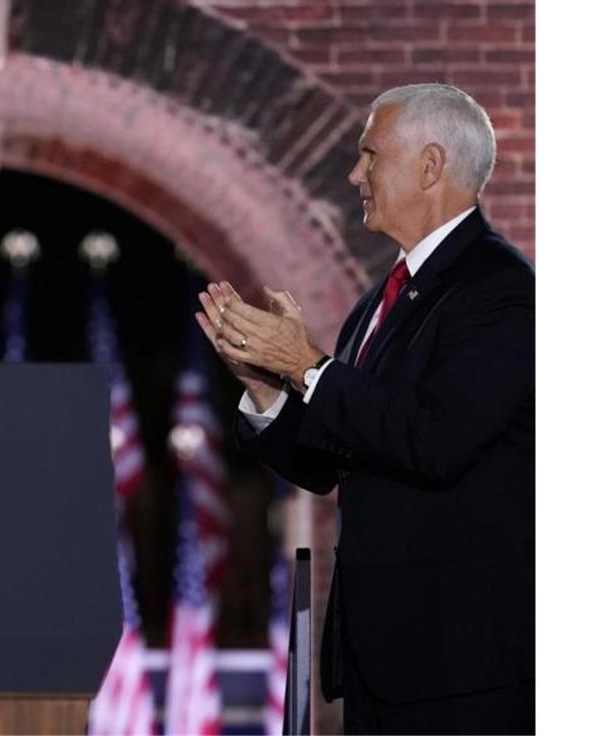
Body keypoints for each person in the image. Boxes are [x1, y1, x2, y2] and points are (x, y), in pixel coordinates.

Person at [195, 83, 534, 734]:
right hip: (381, 657)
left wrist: (309, 368)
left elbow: (435, 440)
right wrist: (265, 386)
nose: (355, 174)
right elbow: (333, 459)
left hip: (463, 667)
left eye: (369, 155)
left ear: (430, 166)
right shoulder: (384, 296)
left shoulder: (502, 292)